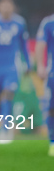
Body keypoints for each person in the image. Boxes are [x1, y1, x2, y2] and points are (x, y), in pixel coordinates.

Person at [0, 0, 30, 144]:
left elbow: (24, 45)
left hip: (12, 67)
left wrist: (27, 63)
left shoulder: (19, 23)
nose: (6, 8)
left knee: (7, 96)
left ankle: (6, 129)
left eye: (9, 5)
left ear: (12, 7)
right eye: (3, 5)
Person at [36, 13, 54, 156]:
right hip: (52, 74)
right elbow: (40, 45)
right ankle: (52, 143)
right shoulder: (48, 22)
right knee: (51, 109)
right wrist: (40, 66)